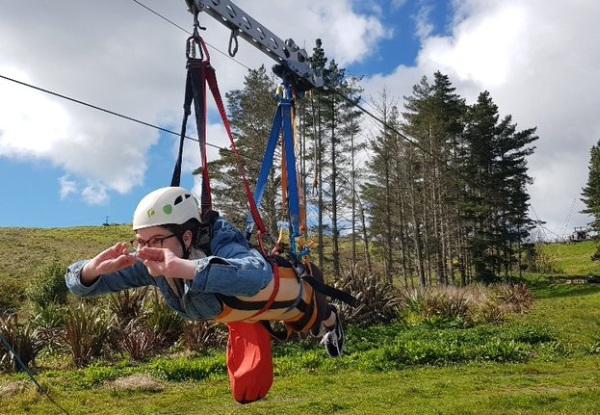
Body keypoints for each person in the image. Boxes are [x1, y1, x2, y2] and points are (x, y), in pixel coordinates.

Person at [65, 186, 344, 357]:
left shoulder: (221, 241)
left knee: (315, 317)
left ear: (187, 238)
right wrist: (91, 270)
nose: (147, 249)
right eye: (141, 241)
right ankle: (322, 325)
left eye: (157, 240)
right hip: (250, 313)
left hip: (283, 297)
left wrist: (185, 268)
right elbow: (77, 284)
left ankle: (331, 322)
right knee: (298, 321)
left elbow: (256, 274)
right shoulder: (153, 264)